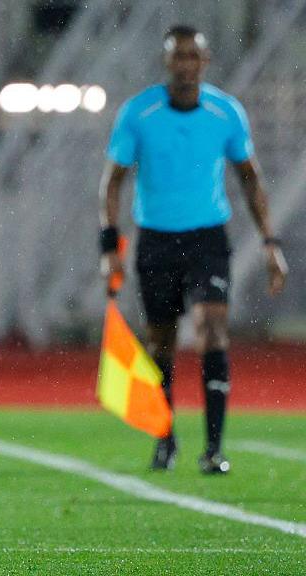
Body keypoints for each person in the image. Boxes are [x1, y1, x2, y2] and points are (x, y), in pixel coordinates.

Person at [99, 25, 287, 474]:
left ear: (205, 62)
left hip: (207, 238)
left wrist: (269, 242)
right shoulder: (138, 113)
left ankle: (215, 448)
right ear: (166, 63)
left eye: (192, 56)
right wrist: (110, 246)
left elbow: (250, 177)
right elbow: (113, 182)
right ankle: (165, 439)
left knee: (212, 330)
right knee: (160, 344)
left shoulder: (227, 113)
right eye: (177, 57)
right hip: (156, 240)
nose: (185, 64)